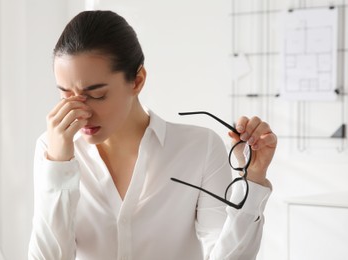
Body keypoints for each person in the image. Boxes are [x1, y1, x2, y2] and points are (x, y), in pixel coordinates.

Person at [28, 10, 276, 260]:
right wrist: (58, 166)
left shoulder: (200, 148)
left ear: (137, 81)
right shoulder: (51, 150)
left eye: (97, 95)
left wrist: (253, 180)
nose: (80, 112)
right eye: (65, 95)